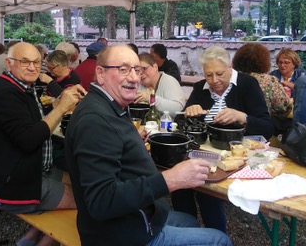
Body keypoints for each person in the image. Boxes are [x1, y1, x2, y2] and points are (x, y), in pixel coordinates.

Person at [64, 45, 232, 246]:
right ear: (100, 73)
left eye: (137, 70)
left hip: (134, 218)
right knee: (220, 240)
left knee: (188, 220)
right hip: (121, 235)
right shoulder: (95, 120)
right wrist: (170, 179)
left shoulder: (109, 106)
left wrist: (129, 141)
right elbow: (102, 201)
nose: (134, 78)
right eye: (123, 69)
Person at [0, 42, 85, 246]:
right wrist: (62, 107)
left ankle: (30, 237)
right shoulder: (6, 94)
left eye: (37, 62)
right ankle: (44, 242)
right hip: (14, 184)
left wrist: (58, 104)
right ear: (9, 63)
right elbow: (29, 140)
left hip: (31, 168)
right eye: (25, 62)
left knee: (79, 180)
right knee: (87, 200)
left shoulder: (18, 86)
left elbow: (29, 126)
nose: (32, 67)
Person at [173, 46, 274, 233]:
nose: (214, 80)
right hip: (207, 154)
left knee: (208, 193)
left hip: (238, 158)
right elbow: (179, 123)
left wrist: (242, 116)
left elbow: (267, 128)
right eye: (208, 75)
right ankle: (187, 233)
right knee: (181, 186)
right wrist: (189, 113)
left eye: (219, 74)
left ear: (230, 67)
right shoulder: (200, 88)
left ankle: (216, 235)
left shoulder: (247, 84)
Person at [233, 43, 293, 118]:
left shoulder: (233, 78)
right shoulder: (269, 81)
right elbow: (284, 108)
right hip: (262, 125)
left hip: (236, 124)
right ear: (263, 60)